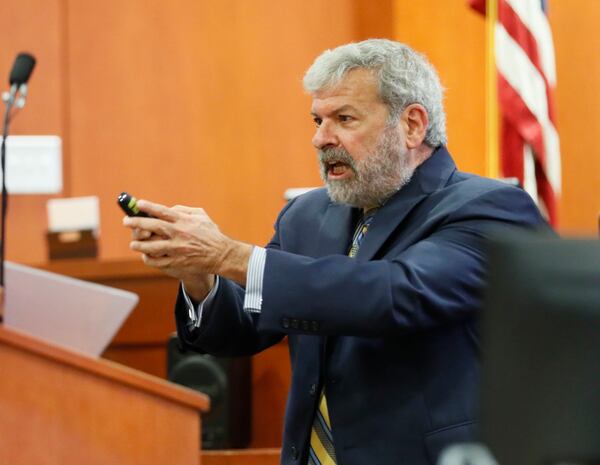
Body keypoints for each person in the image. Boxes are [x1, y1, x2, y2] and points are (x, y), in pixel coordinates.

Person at [124, 39, 548, 465]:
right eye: (317, 120)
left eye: (344, 119)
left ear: (413, 124)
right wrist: (199, 275)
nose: (320, 139)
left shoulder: (489, 209)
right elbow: (245, 326)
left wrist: (228, 256)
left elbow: (395, 295)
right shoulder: (306, 215)